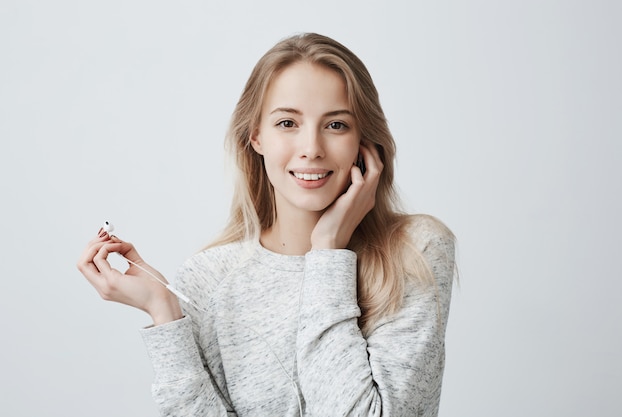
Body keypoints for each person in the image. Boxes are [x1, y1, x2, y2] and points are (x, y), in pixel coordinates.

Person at [77, 33, 456, 417]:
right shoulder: (210, 278)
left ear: (365, 140)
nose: (311, 147)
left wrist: (328, 252)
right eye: (288, 122)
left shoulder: (414, 252)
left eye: (337, 125)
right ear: (256, 136)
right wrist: (164, 313)